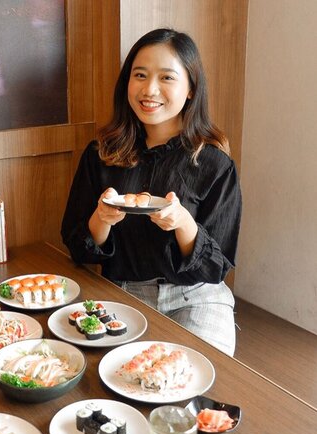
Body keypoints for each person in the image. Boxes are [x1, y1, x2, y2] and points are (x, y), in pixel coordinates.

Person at [61, 28, 242, 356]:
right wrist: (102, 219)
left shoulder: (215, 165)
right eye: (140, 75)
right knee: (117, 388)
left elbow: (217, 266)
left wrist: (183, 223)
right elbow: (79, 248)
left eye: (167, 78)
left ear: (191, 89)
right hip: (121, 295)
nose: (150, 89)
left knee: (193, 387)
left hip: (195, 297)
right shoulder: (100, 155)